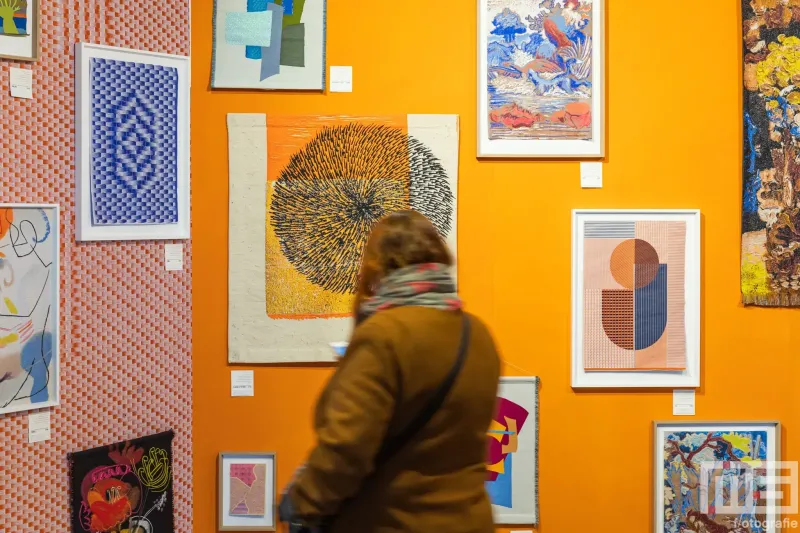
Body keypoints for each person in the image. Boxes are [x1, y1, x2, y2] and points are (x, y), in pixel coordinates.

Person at [278, 210, 501, 533]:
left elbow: (346, 446)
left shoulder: (384, 335)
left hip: (396, 523)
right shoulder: (477, 334)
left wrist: (303, 502)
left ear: (377, 266)